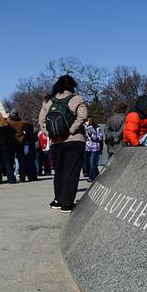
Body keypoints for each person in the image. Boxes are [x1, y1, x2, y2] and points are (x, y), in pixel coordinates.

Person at [38, 75, 88, 213]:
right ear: (72, 85)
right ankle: (67, 203)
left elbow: (41, 121)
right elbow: (83, 117)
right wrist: (71, 130)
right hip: (75, 140)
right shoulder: (77, 99)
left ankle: (57, 200)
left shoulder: (49, 100)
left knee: (59, 171)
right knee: (71, 172)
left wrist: (50, 133)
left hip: (56, 141)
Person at [8, 109, 30, 182]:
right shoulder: (23, 123)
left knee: (10, 161)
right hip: (20, 143)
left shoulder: (8, 123)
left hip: (11, 143)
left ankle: (11, 177)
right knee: (21, 161)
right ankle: (22, 177)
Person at [84, 116, 103, 182]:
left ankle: (91, 177)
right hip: (87, 148)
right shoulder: (85, 128)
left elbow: (100, 137)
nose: (88, 121)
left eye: (90, 120)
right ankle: (97, 175)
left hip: (95, 147)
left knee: (92, 162)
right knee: (89, 163)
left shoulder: (97, 127)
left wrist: (92, 134)